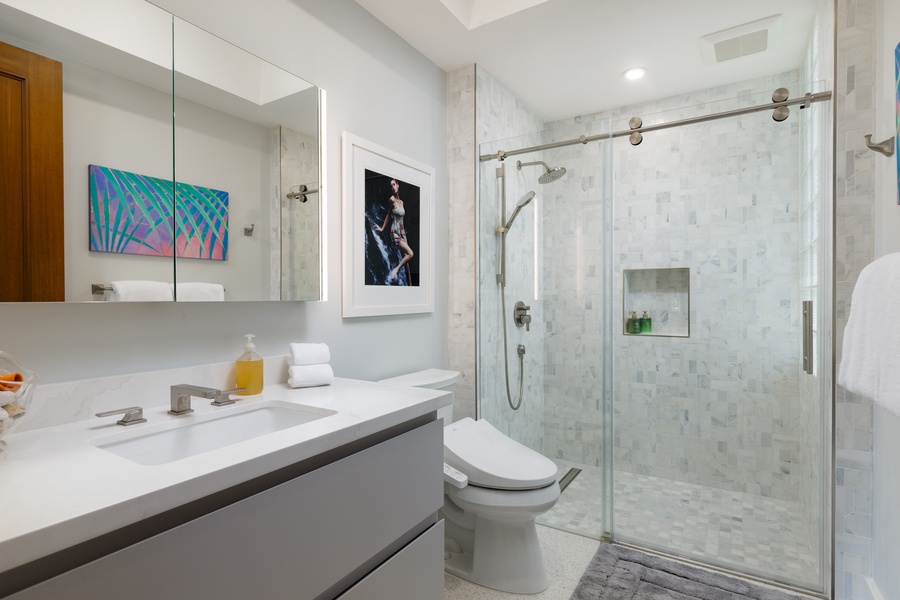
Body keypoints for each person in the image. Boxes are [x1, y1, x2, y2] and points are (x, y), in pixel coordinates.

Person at [374, 178, 414, 283]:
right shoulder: (392, 200)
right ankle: (395, 270)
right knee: (411, 253)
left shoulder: (402, 202)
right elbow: (388, 214)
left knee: (407, 262)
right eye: (391, 186)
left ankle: (409, 285)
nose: (393, 187)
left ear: (398, 185)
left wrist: (404, 234)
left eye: (394, 185)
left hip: (402, 232)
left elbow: (402, 219)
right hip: (394, 232)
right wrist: (382, 229)